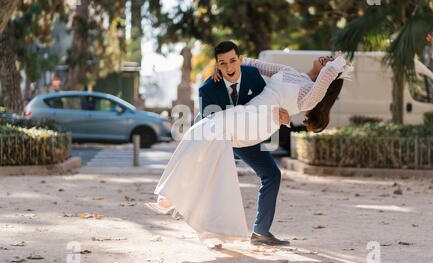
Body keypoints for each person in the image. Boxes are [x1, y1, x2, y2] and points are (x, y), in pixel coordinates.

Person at [146, 41, 351, 247]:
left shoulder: (313, 95)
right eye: (329, 56)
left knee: (210, 130)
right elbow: (254, 64)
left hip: (259, 121)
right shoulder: (288, 72)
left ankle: (258, 231)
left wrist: (340, 63)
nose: (328, 59)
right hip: (248, 113)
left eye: (330, 61)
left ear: (331, 76)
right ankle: (178, 197)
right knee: (204, 132)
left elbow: (326, 75)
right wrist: (222, 66)